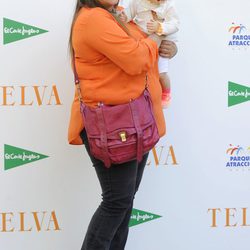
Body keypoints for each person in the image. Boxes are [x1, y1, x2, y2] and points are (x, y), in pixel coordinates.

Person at [67, 0, 177, 249]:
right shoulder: (94, 18)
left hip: (135, 121)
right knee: (117, 202)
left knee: (124, 202)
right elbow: (137, 58)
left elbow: (144, 43)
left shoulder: (116, 15)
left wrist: (166, 45)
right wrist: (157, 37)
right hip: (115, 125)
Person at [119, 0, 179, 108]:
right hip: (142, 45)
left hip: (162, 40)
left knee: (161, 73)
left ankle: (166, 93)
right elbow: (130, 11)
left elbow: (175, 23)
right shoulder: (137, 2)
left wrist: (160, 28)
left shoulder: (168, 5)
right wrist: (125, 17)